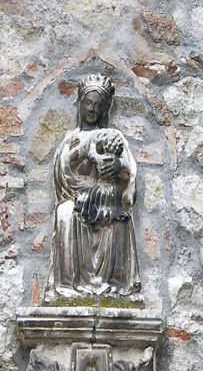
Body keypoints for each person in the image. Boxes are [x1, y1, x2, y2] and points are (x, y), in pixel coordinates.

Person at [50, 75, 141, 301]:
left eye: (98, 105)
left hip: (107, 200)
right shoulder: (72, 138)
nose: (92, 109)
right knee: (64, 214)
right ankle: (69, 285)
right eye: (88, 103)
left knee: (121, 221)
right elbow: (61, 172)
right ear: (80, 104)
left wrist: (119, 166)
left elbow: (129, 172)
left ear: (104, 108)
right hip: (78, 199)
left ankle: (116, 283)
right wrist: (83, 151)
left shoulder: (114, 136)